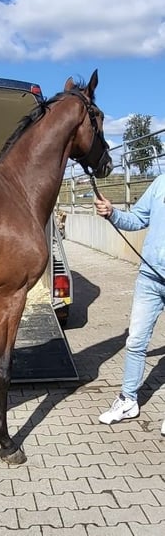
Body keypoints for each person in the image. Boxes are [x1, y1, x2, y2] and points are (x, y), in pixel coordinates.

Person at [95, 174, 165, 436]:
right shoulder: (160, 183)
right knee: (135, 341)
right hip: (149, 279)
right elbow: (137, 219)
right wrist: (112, 213)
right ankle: (128, 400)